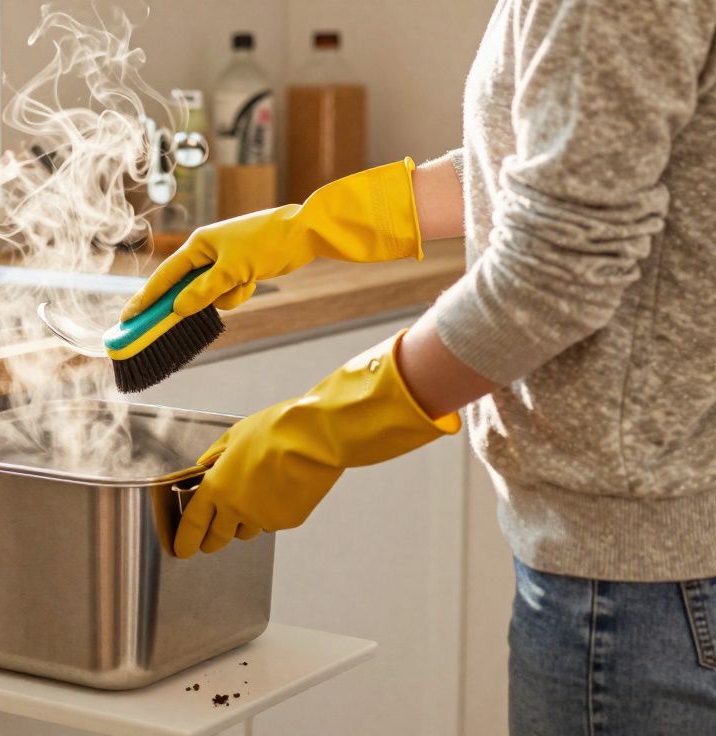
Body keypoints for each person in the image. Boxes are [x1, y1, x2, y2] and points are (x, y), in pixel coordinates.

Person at [123, 1, 716, 732]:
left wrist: (325, 428)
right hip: (650, 569)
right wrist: (310, 226)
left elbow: (553, 273)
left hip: (643, 590)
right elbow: (566, 160)